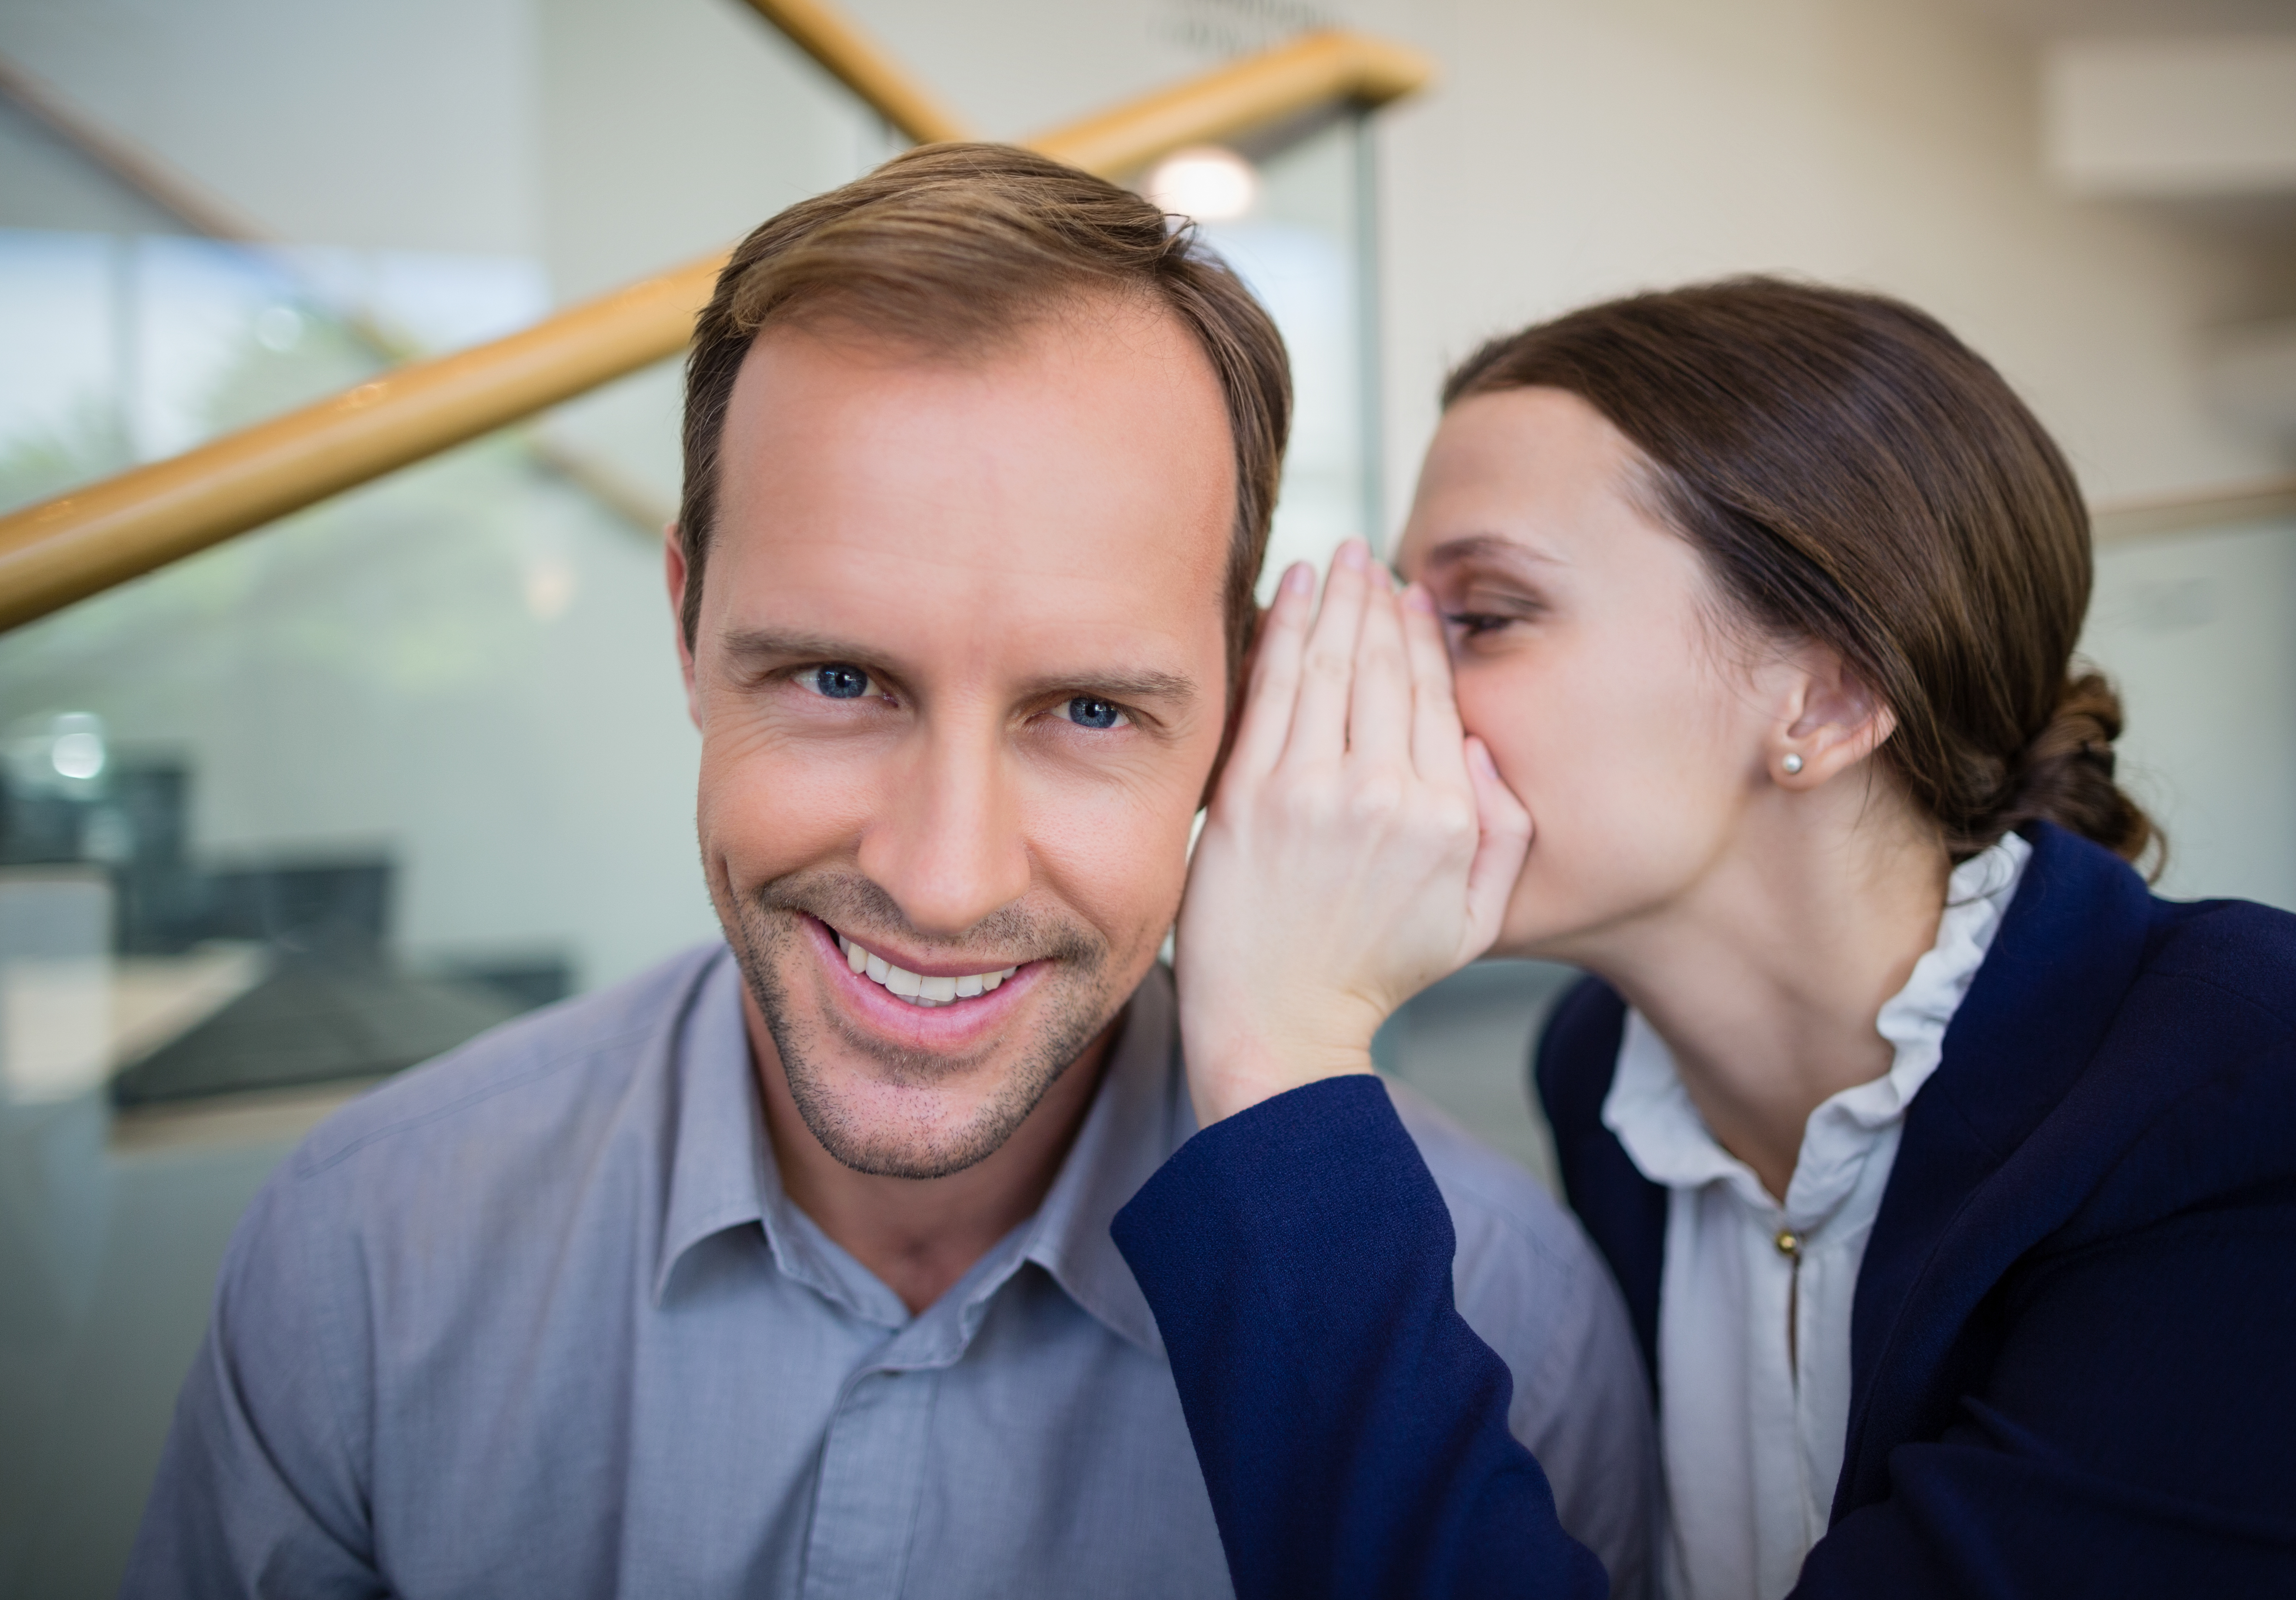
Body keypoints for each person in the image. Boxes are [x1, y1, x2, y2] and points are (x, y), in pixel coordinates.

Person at [119, 144, 1660, 1599]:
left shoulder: (1506, 1335)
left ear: (1239, 712)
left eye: (1091, 711)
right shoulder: (366, 1257)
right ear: (685, 628)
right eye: (841, 681)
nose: (939, 877)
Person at [1113, 278, 2296, 1598]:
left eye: (1484, 614)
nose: (1373, 689)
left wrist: (1280, 1052)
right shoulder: (1604, 1072)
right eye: (1394, 612)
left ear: (1831, 695)